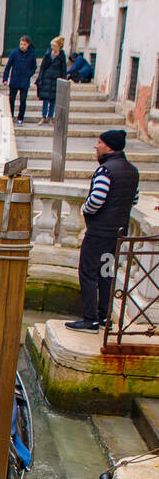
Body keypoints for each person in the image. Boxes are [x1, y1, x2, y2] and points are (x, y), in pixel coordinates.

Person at [68, 131, 140, 332]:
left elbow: (97, 199)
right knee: (106, 273)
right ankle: (104, 317)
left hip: (99, 233)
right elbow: (134, 200)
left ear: (108, 147)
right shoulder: (132, 171)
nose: (95, 146)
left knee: (88, 273)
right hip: (117, 234)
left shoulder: (106, 171)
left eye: (99, 142)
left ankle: (89, 319)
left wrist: (85, 208)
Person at [3, 35, 37, 125]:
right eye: (21, 44)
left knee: (23, 100)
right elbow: (8, 66)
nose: (22, 46)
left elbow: (34, 67)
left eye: (24, 44)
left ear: (28, 45)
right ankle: (10, 116)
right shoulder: (14, 53)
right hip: (14, 79)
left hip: (24, 81)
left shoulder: (32, 54)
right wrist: (5, 78)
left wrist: (29, 74)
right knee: (11, 99)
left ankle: (20, 118)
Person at [36, 36, 68, 123]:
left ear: (59, 46)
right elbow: (42, 67)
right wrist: (40, 78)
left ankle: (50, 117)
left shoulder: (61, 56)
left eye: (54, 46)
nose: (52, 47)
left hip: (55, 80)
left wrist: (63, 80)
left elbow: (63, 69)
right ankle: (43, 116)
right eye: (52, 45)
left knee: (53, 100)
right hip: (46, 78)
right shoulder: (47, 54)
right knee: (45, 99)